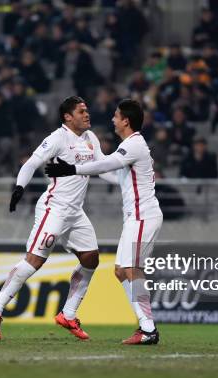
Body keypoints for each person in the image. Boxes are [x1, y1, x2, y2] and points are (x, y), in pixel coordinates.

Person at [0, 96, 117, 341]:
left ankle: (68, 313)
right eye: (81, 111)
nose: (87, 115)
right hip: (54, 209)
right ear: (68, 117)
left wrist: (126, 185)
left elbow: (102, 168)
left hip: (76, 212)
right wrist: (19, 188)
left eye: (87, 110)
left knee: (90, 258)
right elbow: (31, 162)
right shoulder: (57, 138)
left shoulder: (90, 138)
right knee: (34, 261)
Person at [45, 99, 163, 345]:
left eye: (116, 116)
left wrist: (72, 169)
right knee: (121, 271)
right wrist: (79, 168)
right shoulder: (130, 146)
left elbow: (107, 163)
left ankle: (148, 329)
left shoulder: (134, 144)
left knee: (131, 269)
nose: (113, 119)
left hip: (144, 216)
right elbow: (109, 173)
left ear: (126, 121)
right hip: (135, 217)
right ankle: (146, 325)